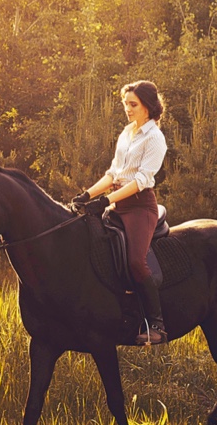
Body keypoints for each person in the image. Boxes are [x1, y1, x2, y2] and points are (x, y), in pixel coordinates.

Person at [72, 80, 168, 345]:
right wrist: (88, 194)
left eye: (133, 104)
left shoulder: (155, 138)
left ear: (148, 106)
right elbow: (114, 173)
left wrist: (105, 201)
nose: (128, 109)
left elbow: (140, 180)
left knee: (136, 261)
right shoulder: (127, 132)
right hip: (117, 202)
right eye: (126, 104)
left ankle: (157, 324)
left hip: (139, 206)